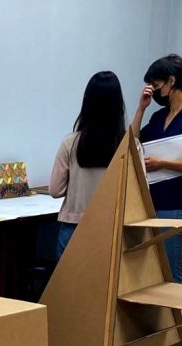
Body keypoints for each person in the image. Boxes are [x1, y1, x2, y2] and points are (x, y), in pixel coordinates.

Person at [133, 53, 182, 282]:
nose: (154, 90)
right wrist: (141, 109)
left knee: (169, 271)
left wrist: (163, 163)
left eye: (156, 84)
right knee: (149, 272)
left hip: (175, 202)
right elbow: (134, 142)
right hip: (150, 201)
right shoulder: (160, 116)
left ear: (171, 81)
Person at [50, 71, 127, 261]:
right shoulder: (129, 146)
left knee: (69, 279)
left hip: (74, 227)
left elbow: (55, 190)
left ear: (87, 103)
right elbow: (141, 192)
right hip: (113, 230)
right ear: (119, 106)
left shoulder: (70, 143)